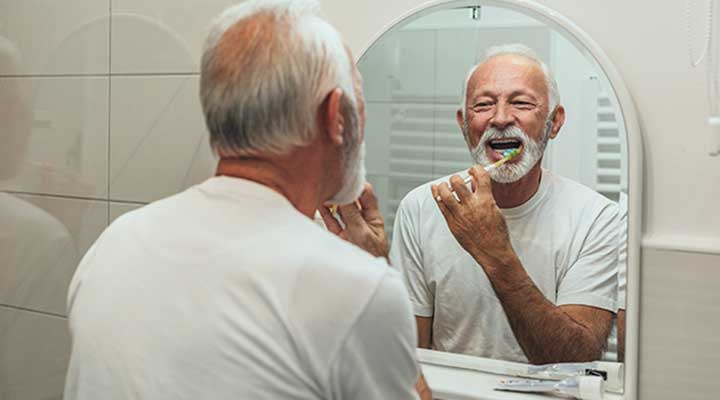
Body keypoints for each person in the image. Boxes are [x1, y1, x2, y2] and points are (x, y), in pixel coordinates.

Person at [63, 1, 423, 399]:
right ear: (334, 116)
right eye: (359, 98)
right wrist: (371, 267)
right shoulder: (355, 290)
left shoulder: (114, 244)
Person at [389, 44, 620, 364]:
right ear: (463, 123)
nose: (500, 118)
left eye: (521, 103)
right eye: (483, 105)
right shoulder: (422, 206)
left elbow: (574, 357)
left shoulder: (597, 218)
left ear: (554, 122)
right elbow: (408, 357)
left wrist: (495, 253)